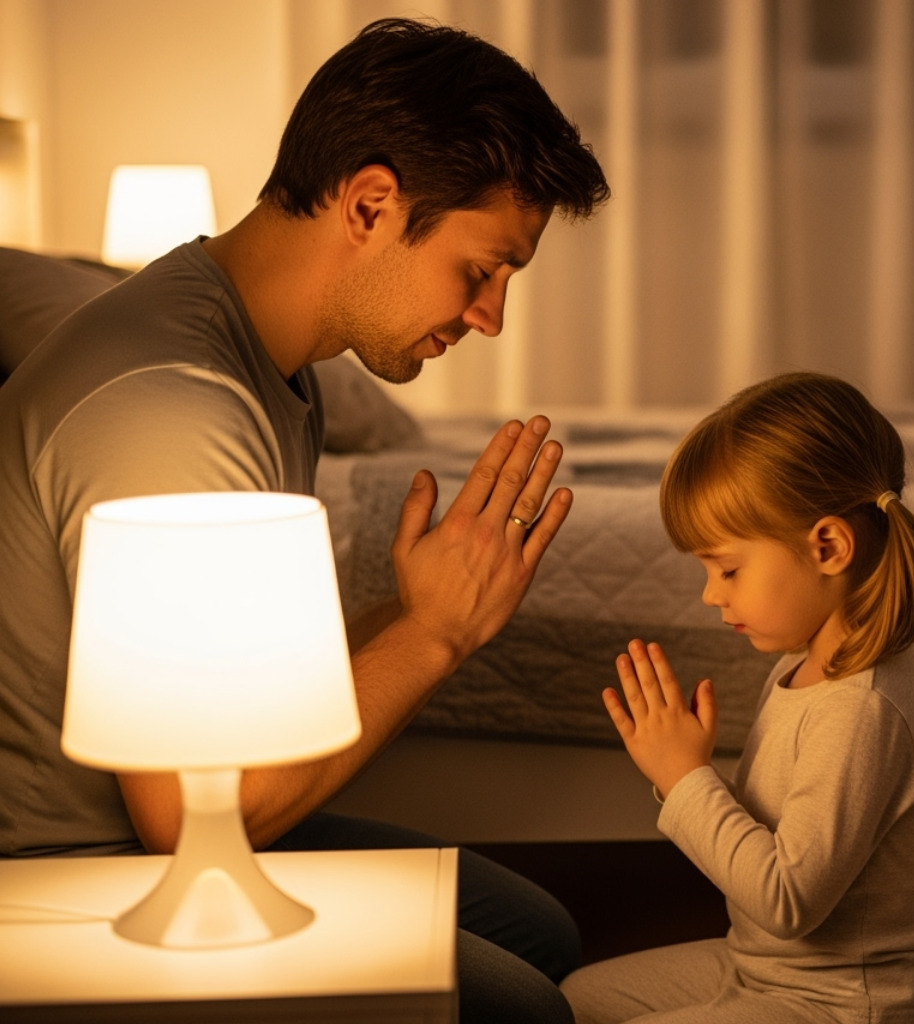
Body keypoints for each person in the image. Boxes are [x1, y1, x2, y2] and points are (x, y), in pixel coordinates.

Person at [0, 18, 608, 1024]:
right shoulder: (172, 408)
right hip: (64, 871)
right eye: (482, 268)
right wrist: (435, 633)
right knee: (527, 1008)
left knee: (539, 931)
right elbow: (196, 810)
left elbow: (240, 684)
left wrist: (408, 606)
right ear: (370, 204)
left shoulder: (265, 356)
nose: (493, 315)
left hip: (157, 837)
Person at [560, 372, 914, 1024]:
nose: (711, 595)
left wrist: (685, 778)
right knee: (571, 1001)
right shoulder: (806, 668)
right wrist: (683, 770)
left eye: (728, 569)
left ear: (828, 546)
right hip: (763, 970)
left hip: (849, 1005)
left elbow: (786, 901)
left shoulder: (861, 711)